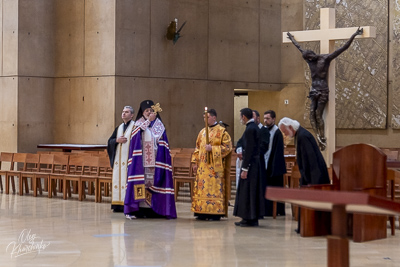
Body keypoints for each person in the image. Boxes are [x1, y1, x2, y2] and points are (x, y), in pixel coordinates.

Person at [287, 27, 363, 150]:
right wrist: (291, 38)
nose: (309, 61)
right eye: (307, 59)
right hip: (313, 90)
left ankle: (322, 137)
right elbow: (298, 47)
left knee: (318, 115)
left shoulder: (325, 58)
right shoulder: (308, 59)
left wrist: (354, 35)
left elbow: (343, 48)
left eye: (310, 58)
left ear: (312, 55)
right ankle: (318, 137)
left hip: (322, 90)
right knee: (311, 113)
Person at [124, 100, 177, 219]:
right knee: (141, 184)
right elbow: (134, 138)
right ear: (142, 112)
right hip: (141, 163)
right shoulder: (138, 124)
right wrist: (148, 121)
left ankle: (155, 210)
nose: (149, 112)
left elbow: (164, 144)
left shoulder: (160, 126)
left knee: (154, 183)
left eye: (151, 111)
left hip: (156, 162)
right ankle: (139, 210)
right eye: (146, 111)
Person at [278, 117, 330, 233]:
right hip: (309, 175)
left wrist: (312, 182)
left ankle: (311, 226)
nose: (286, 135)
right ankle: (304, 226)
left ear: (290, 127)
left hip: (314, 176)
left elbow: (311, 160)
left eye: (285, 131)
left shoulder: (303, 136)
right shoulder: (300, 135)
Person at [191, 109, 232, 221]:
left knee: (214, 190)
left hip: (215, 168)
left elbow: (227, 148)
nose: (205, 119)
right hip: (202, 168)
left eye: (207, 117)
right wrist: (194, 162)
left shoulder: (222, 132)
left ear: (214, 117)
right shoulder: (202, 132)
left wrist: (213, 149)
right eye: (204, 117)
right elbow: (197, 148)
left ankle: (215, 213)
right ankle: (201, 212)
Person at [233, 108, 265, 227]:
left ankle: (250, 218)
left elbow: (250, 149)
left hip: (251, 165)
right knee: (249, 191)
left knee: (249, 191)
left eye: (241, 117)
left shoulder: (251, 129)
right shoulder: (252, 128)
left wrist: (245, 168)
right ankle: (248, 217)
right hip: (253, 164)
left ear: (244, 117)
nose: (240, 119)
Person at [107, 106, 135, 212]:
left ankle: (127, 204)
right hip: (119, 163)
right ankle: (117, 204)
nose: (123, 113)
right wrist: (116, 140)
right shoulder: (119, 128)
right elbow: (110, 141)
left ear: (132, 115)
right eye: (123, 112)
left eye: (126, 112)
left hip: (129, 162)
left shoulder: (135, 127)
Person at [262, 110, 287, 216]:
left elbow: (277, 151)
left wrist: (272, 167)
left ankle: (278, 210)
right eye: (265, 118)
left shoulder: (277, 132)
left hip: (275, 167)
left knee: (276, 188)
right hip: (267, 165)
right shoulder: (265, 130)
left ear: (273, 119)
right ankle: (268, 210)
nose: (265, 120)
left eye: (268, 118)